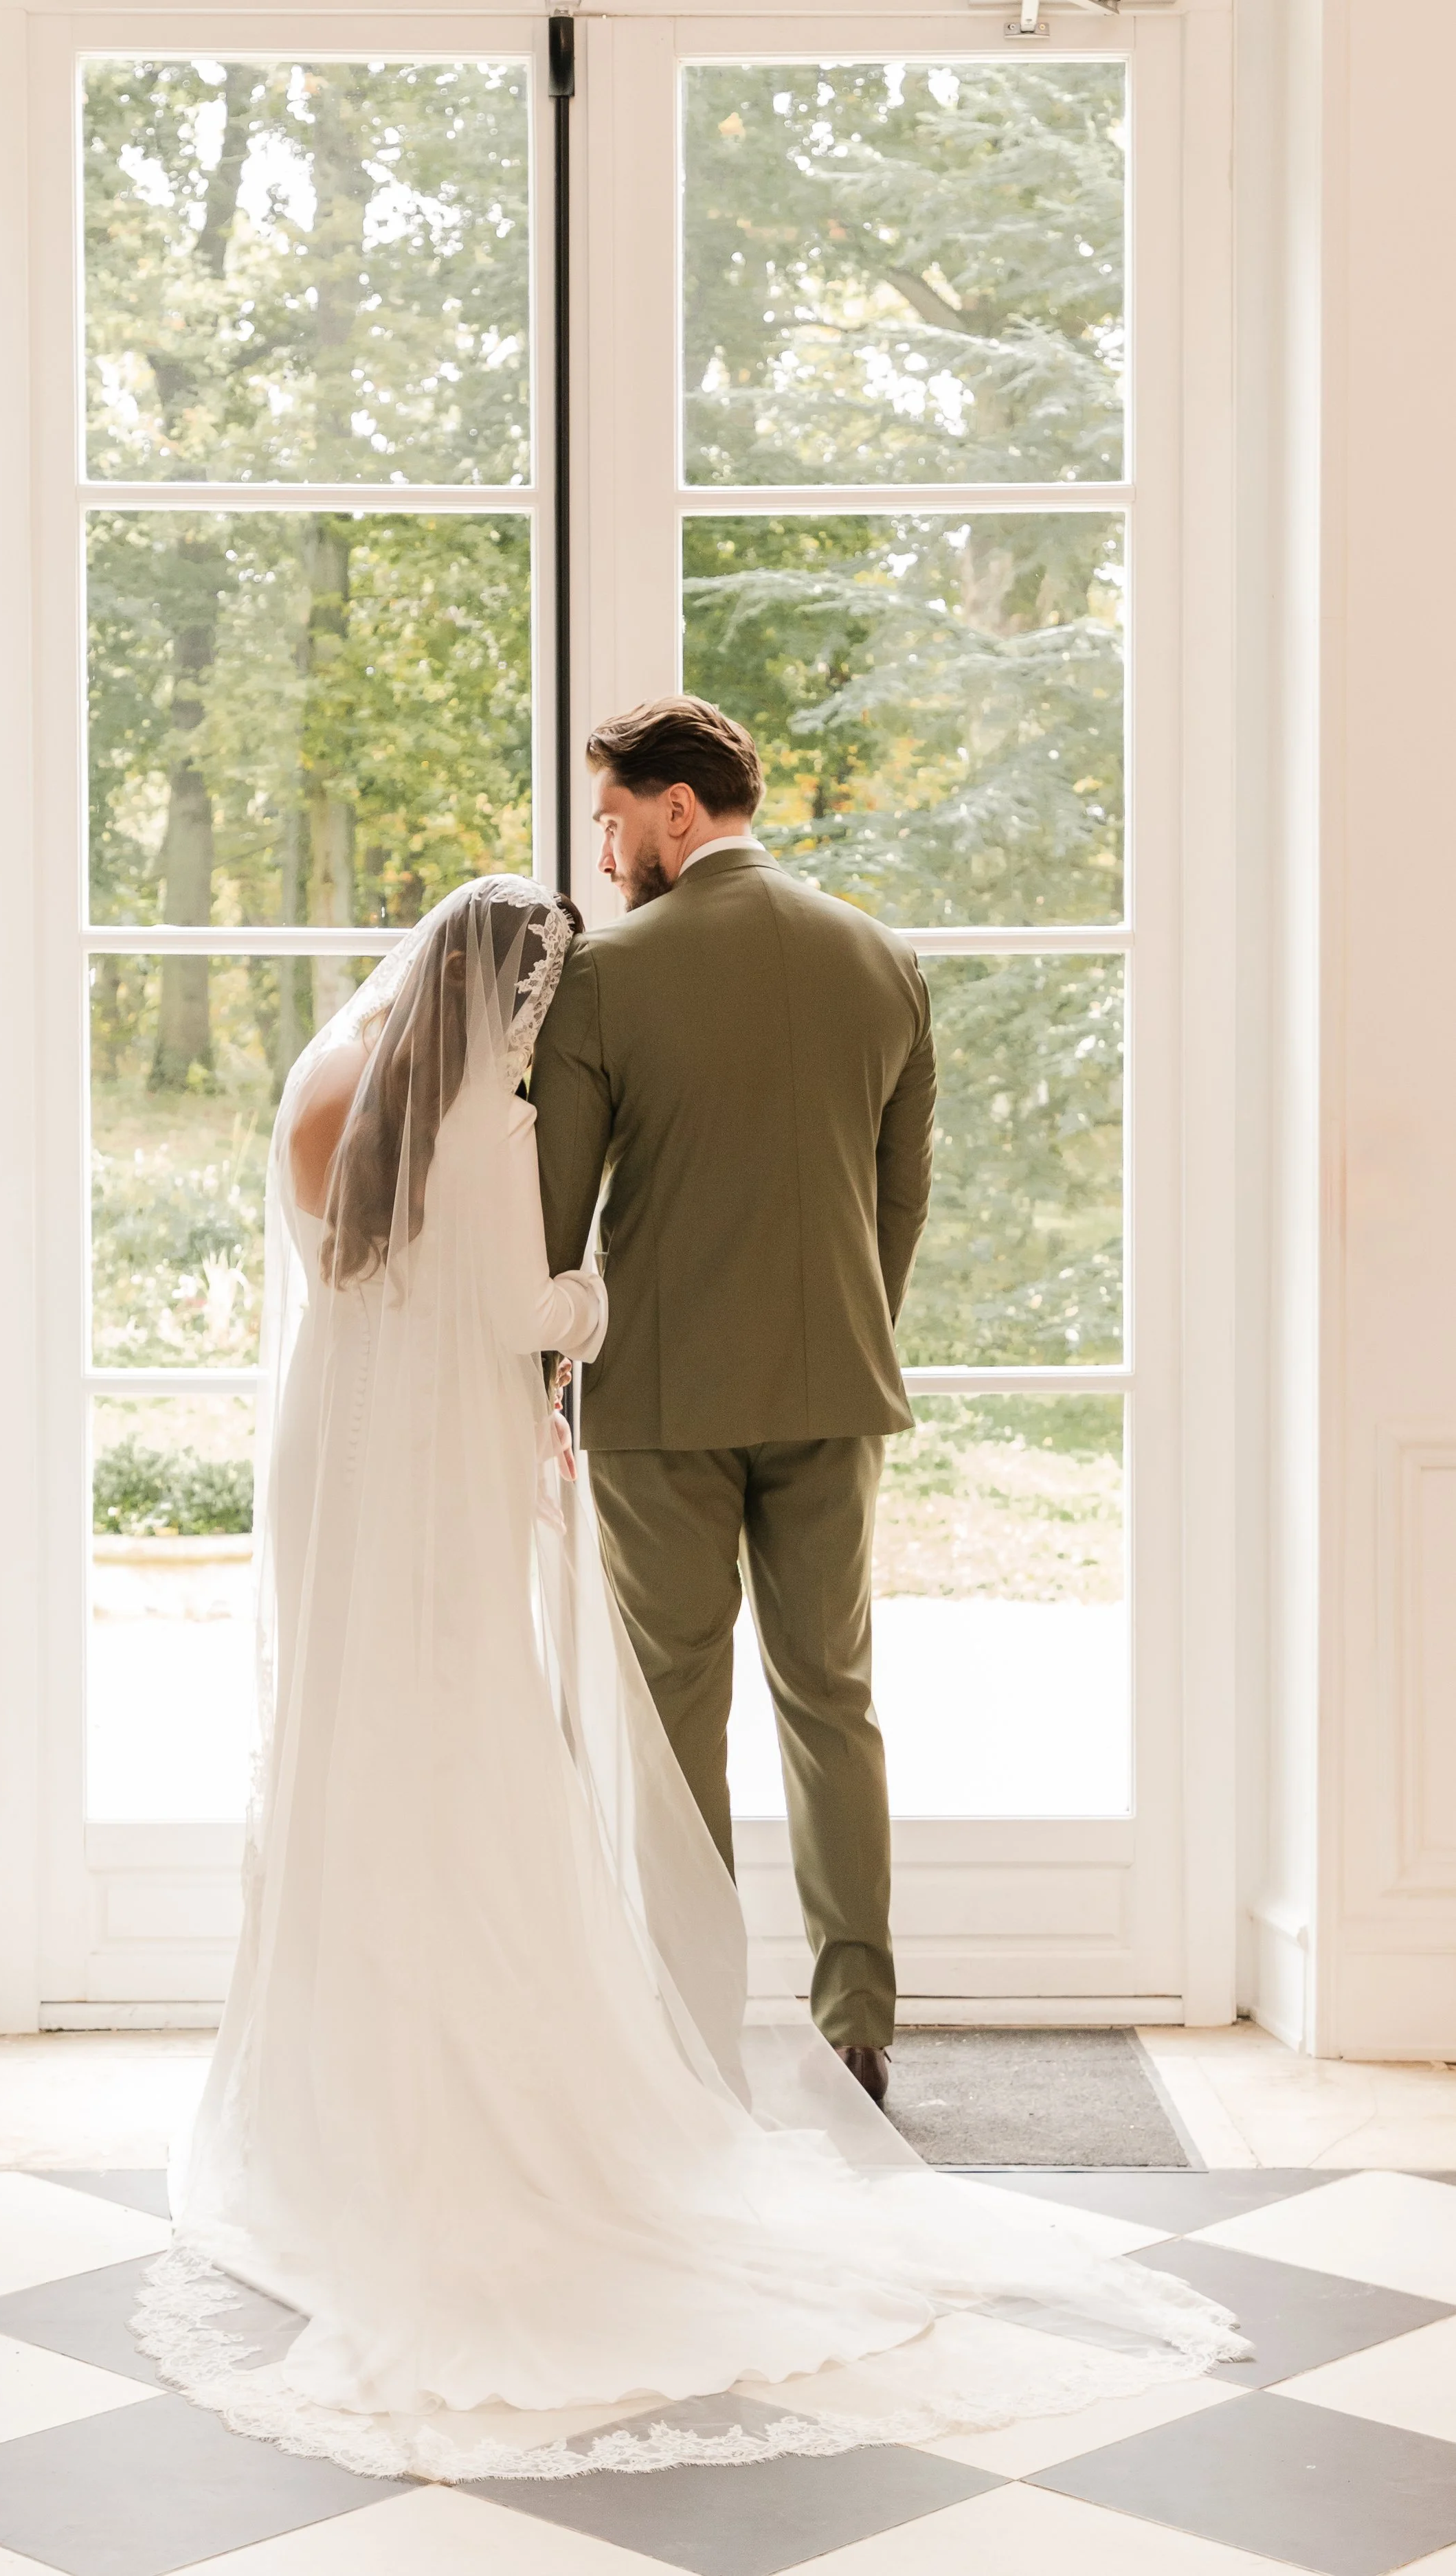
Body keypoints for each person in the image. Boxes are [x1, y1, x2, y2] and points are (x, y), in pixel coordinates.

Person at [136, 863, 1240, 2486]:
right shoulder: (502, 1111)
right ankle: (723, 2037)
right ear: (510, 992)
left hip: (331, 1461)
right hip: (472, 1461)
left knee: (347, 1741)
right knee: (515, 1731)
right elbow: (529, 1299)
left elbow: (353, 1282)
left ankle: (337, 2084)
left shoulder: (326, 1079)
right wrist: (586, 1304)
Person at [532, 697, 934, 2108]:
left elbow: (552, 1220)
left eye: (611, 818)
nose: (603, 849)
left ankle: (691, 2025)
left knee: (675, 1713)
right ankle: (859, 2025)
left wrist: (537, 1385)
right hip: (834, 1383)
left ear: (676, 811)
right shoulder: (881, 962)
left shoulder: (607, 980)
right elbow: (896, 1205)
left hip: (659, 1395)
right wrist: (840, 1333)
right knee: (834, 1702)